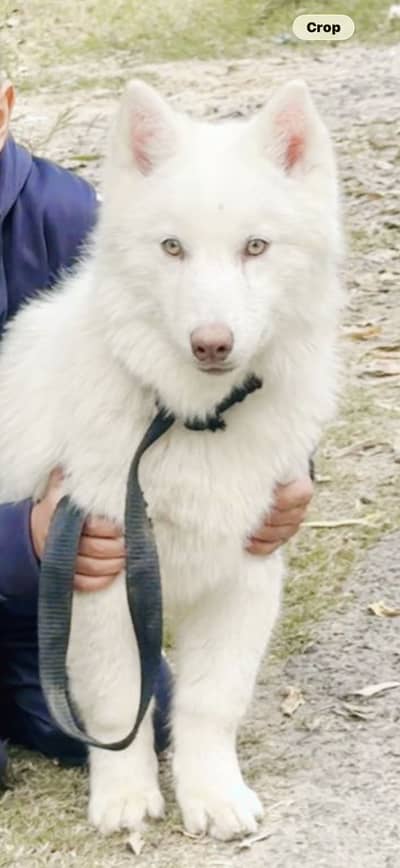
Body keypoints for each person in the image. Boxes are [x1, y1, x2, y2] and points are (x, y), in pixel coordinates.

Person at [0, 74, 314, 786]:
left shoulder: (66, 214)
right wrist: (24, 540)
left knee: (140, 714)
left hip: (25, 592)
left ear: (5, 106)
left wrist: (291, 463)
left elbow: (233, 348)